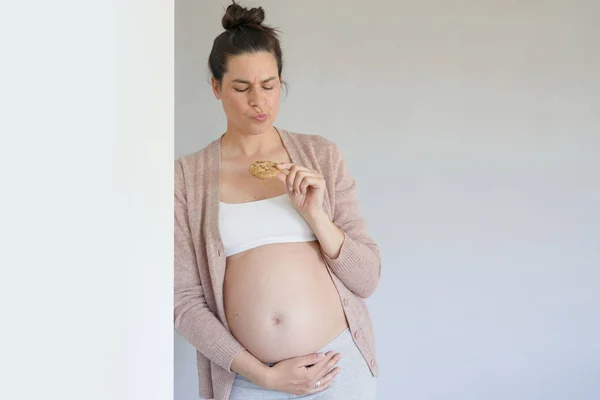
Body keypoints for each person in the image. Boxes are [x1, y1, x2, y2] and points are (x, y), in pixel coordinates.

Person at [174, 2, 381, 399]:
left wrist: (317, 217)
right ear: (216, 87)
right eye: (241, 87)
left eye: (269, 86)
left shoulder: (321, 155)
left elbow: (367, 278)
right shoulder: (187, 178)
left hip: (337, 369)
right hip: (249, 381)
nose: (259, 101)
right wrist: (264, 376)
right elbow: (184, 303)